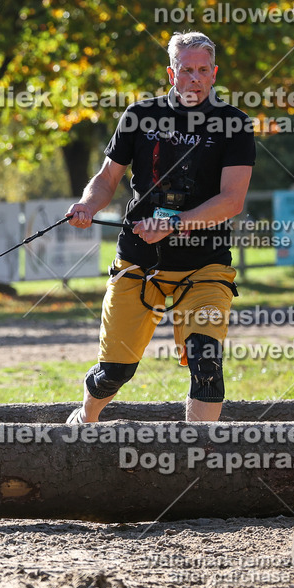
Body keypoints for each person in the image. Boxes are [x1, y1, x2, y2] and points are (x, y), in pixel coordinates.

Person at [66, 31, 255, 423]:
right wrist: (86, 205)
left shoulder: (234, 125)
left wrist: (174, 223)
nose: (195, 79)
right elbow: (106, 178)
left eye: (203, 70)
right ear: (172, 73)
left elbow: (232, 200)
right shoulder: (138, 116)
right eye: (186, 70)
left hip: (205, 267)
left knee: (207, 364)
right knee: (114, 373)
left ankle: (197, 464)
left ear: (214, 73)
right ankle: (85, 418)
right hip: (139, 262)